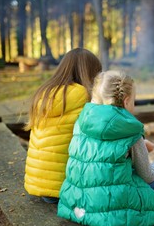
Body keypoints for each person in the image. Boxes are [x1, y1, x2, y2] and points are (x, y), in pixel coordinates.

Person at [57, 70, 154, 226]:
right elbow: (147, 175)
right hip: (102, 205)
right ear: (127, 100)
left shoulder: (82, 121)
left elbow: (102, 151)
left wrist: (141, 146)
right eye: (134, 100)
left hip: (75, 201)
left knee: (153, 187)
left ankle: (150, 225)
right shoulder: (131, 131)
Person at [24, 48, 102, 204]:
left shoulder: (45, 93)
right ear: (91, 73)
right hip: (65, 188)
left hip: (37, 183)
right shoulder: (83, 95)